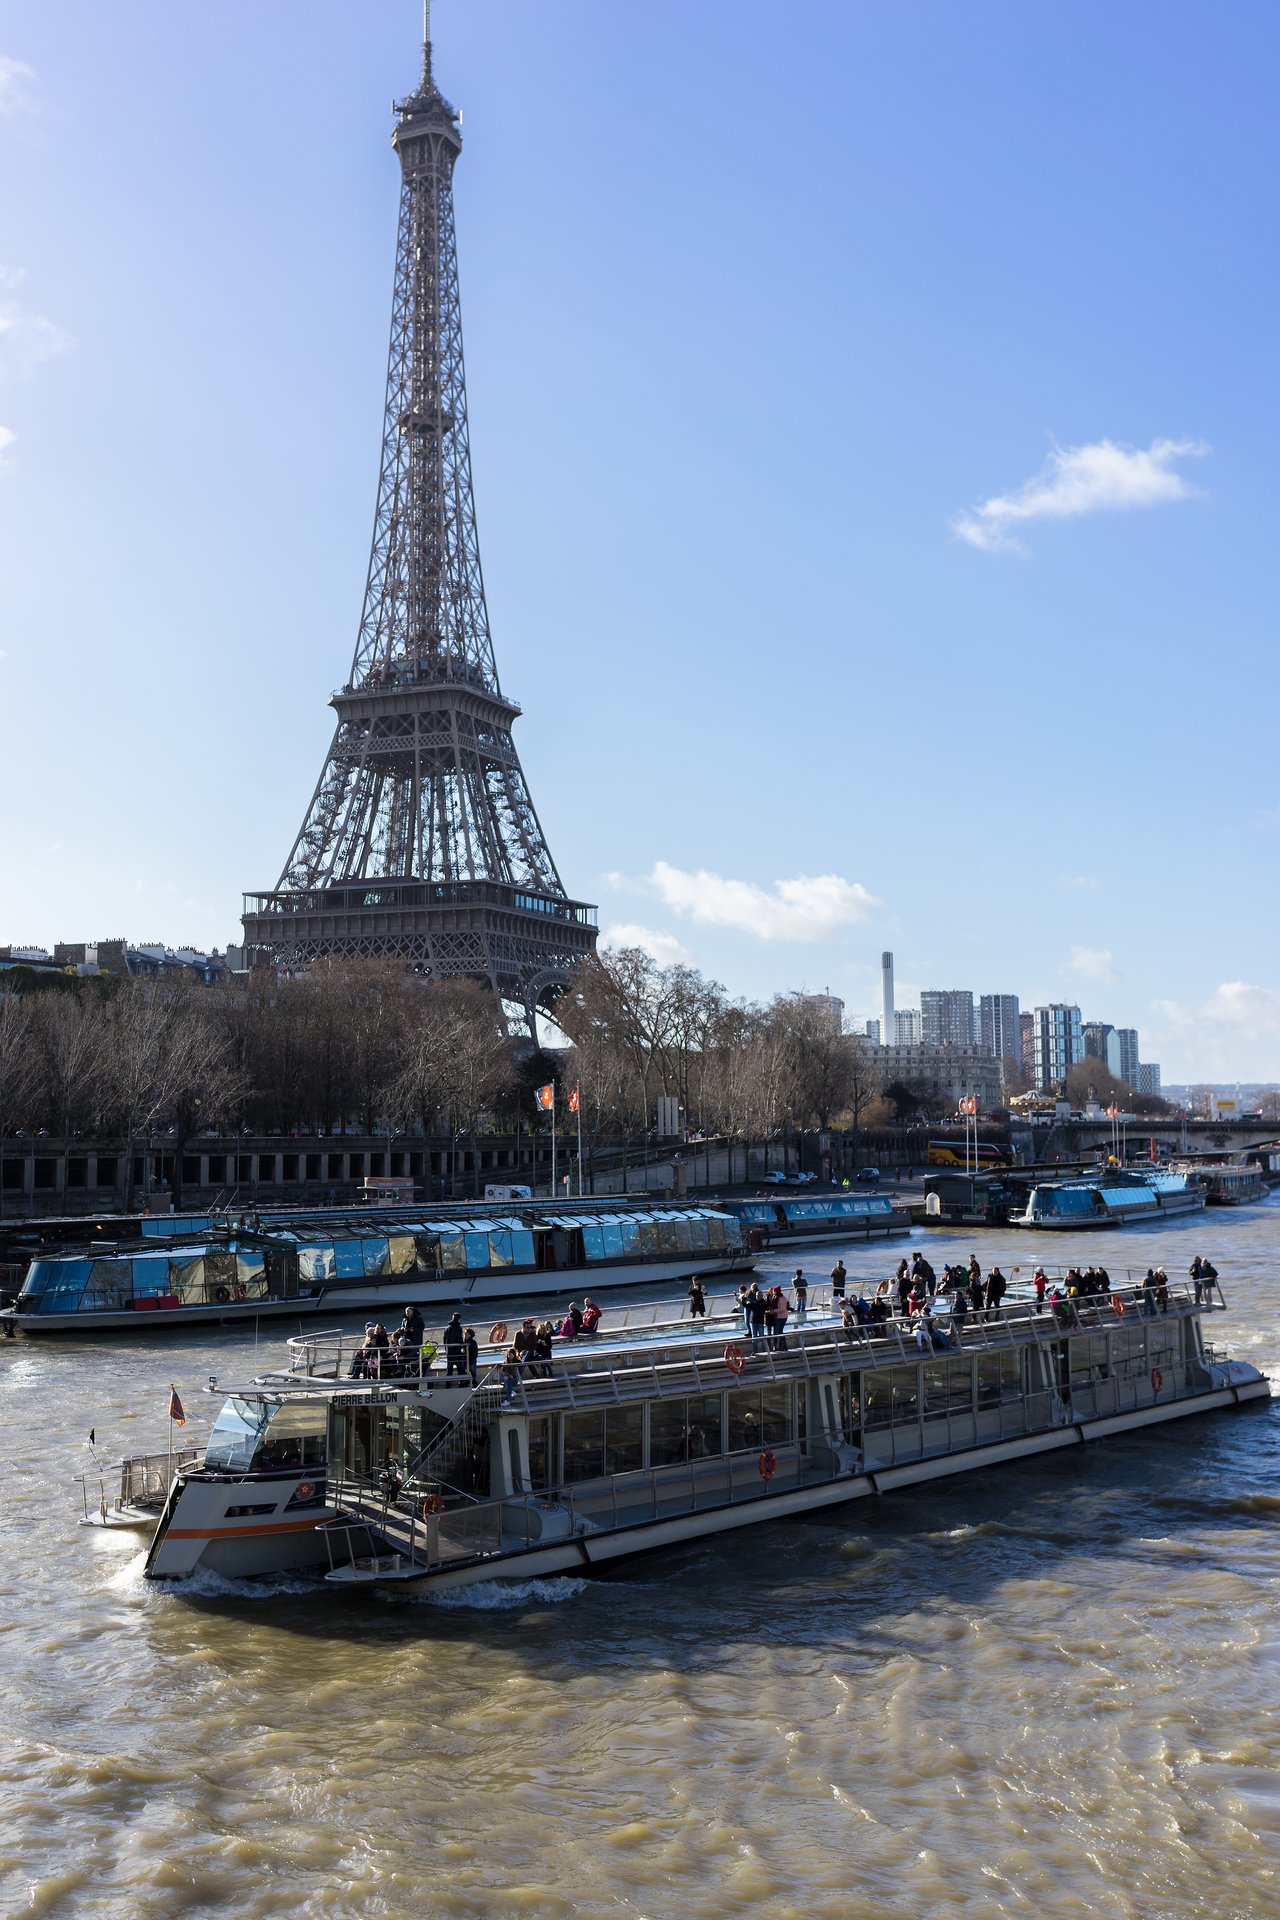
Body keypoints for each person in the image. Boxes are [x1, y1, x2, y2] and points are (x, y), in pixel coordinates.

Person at [443, 1310, 466, 1377]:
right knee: (460, 1369)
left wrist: (446, 1348)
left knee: (449, 1369)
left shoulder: (446, 1328)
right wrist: (462, 1347)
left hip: (449, 1351)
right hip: (457, 1351)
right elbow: (459, 1339)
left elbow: (444, 1339)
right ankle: (461, 1384)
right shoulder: (458, 1328)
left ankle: (448, 1384)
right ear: (459, 1319)